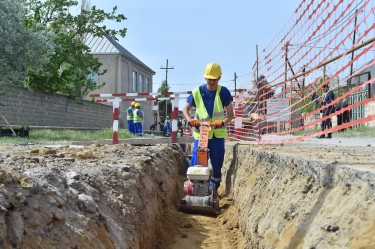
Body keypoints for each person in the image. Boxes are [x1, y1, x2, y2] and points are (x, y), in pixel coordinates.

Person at [182, 62, 234, 191]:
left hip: (217, 134)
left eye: (214, 79)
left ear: (219, 78)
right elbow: (185, 110)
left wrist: (222, 122)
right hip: (201, 134)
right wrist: (191, 120)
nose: (211, 82)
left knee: (217, 162)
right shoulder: (197, 92)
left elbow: (231, 114)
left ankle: (214, 187)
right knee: (197, 160)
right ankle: (194, 186)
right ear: (205, 78)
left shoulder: (224, 92)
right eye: (209, 79)